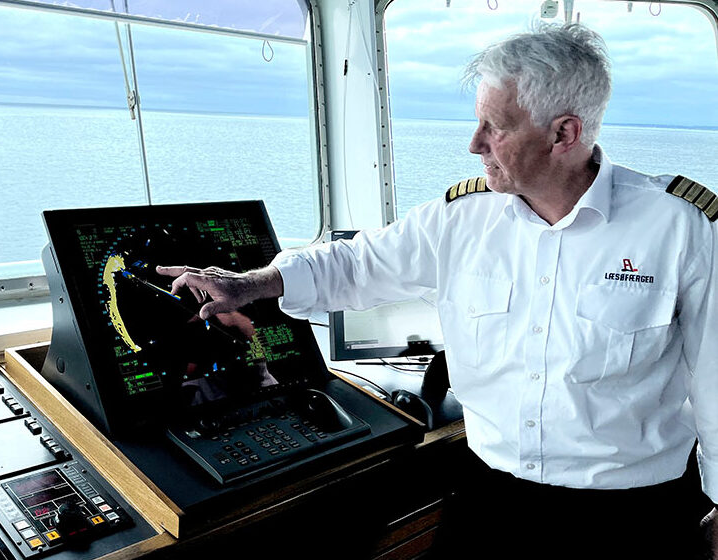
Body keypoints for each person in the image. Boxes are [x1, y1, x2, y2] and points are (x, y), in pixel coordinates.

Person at [157, 23, 718, 559]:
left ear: (563, 134)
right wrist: (252, 283)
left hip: (634, 514)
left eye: (495, 127)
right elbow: (354, 264)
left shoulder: (682, 228)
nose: (474, 143)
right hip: (491, 497)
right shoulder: (460, 219)